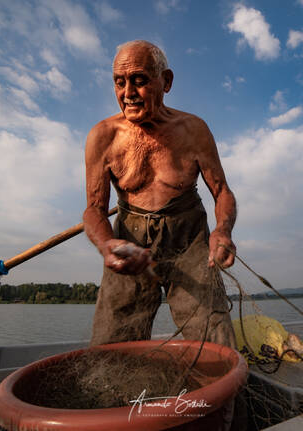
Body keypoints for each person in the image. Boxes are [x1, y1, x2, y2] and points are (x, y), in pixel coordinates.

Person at [83, 40, 237, 348]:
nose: (128, 93)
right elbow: (94, 209)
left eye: (140, 81)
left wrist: (222, 230)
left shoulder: (194, 130)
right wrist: (105, 244)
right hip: (130, 243)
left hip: (189, 241)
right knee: (112, 346)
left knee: (214, 341)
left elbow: (222, 192)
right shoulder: (102, 137)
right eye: (120, 82)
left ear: (165, 81)